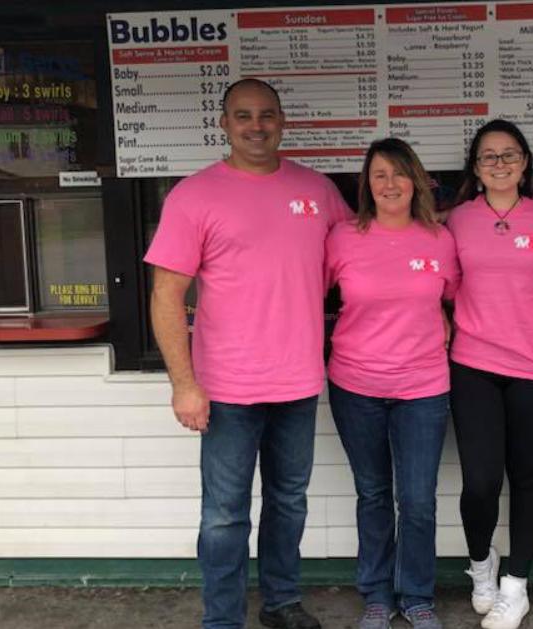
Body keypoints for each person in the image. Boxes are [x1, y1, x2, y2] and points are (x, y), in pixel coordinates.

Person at [145, 78, 349, 629]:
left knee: (289, 503)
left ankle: (282, 603)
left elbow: (360, 261)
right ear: (224, 124)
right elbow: (166, 295)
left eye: (266, 115)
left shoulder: (318, 190)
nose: (256, 126)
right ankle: (223, 619)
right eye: (243, 116)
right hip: (227, 387)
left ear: (282, 121)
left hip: (299, 381)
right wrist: (184, 384)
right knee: (224, 516)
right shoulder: (194, 195)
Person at [325, 138, 460, 629]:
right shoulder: (341, 238)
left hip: (423, 387)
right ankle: (378, 595)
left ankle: (418, 595)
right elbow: (306, 293)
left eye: (399, 174)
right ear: (366, 184)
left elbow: (455, 300)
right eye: (379, 175)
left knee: (418, 499)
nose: (389, 184)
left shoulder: (440, 240)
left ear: (417, 181)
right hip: (355, 385)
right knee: (374, 494)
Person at [444, 119, 533, 629]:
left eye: (509, 154)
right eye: (489, 157)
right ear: (475, 167)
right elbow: (445, 288)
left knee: (527, 477)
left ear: (525, 162)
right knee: (480, 481)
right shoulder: (456, 221)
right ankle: (481, 566)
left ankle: (517, 584)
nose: (499, 164)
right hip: (473, 364)